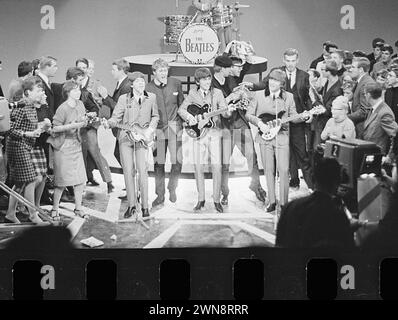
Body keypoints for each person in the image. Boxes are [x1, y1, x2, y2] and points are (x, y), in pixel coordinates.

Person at [244, 48, 314, 192]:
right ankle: (284, 184)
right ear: (284, 60)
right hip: (278, 123)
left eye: (293, 61)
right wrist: (251, 86)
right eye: (288, 61)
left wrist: (309, 113)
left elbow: (308, 97)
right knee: (279, 155)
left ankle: (312, 187)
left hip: (296, 119)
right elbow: (264, 84)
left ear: (297, 60)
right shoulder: (276, 72)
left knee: (301, 154)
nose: (290, 64)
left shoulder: (304, 76)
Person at [246, 69, 309, 213]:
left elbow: (293, 116)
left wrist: (304, 116)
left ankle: (284, 204)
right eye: (271, 80)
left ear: (282, 84)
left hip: (282, 136)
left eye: (277, 81)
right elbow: (249, 114)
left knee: (284, 169)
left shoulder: (289, 97)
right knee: (268, 170)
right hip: (264, 136)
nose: (273, 83)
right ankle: (272, 201)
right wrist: (259, 123)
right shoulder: (258, 95)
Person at [179, 67, 234, 213]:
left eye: (209, 79)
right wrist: (190, 117)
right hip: (198, 135)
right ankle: (201, 199)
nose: (207, 81)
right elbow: (181, 110)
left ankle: (216, 200)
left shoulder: (217, 93)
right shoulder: (192, 93)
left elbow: (224, 111)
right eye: (204, 79)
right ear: (197, 81)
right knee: (198, 167)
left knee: (217, 166)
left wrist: (228, 111)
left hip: (214, 133)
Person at [105, 72, 159, 219]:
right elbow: (116, 117)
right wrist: (109, 123)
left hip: (142, 139)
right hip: (126, 139)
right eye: (138, 82)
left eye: (143, 81)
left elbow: (155, 116)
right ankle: (131, 205)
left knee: (143, 171)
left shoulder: (151, 97)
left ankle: (145, 207)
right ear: (132, 84)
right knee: (128, 172)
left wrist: (150, 130)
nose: (141, 84)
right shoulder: (124, 99)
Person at [275, 157, 356, 248]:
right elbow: (348, 253)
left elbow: (278, 247)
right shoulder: (337, 214)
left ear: (313, 178)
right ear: (337, 182)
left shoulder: (289, 207)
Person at [4, 76, 48, 224]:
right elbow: (8, 129)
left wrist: (40, 128)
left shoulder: (32, 106)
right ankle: (33, 214)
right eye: (38, 90)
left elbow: (30, 127)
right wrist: (27, 134)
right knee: (31, 179)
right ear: (28, 92)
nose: (41, 93)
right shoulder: (22, 105)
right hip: (17, 146)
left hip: (25, 146)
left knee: (20, 183)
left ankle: (10, 213)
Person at [66, 67, 114, 193]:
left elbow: (95, 108)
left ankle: (108, 181)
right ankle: (77, 183)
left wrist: (89, 114)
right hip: (71, 130)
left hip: (88, 127)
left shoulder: (86, 92)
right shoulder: (63, 91)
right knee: (78, 155)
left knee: (94, 150)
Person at [47, 80, 90, 220]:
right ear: (68, 93)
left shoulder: (81, 104)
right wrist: (72, 125)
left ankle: (78, 208)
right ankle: (55, 208)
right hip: (63, 146)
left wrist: (86, 120)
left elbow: (81, 121)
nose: (78, 92)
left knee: (79, 180)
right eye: (75, 90)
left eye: (79, 90)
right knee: (62, 181)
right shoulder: (63, 108)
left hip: (76, 145)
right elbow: (55, 128)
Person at [146, 58, 184, 207]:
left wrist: (182, 125)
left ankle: (172, 188)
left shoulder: (176, 83)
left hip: (175, 129)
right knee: (159, 164)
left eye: (165, 70)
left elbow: (182, 105)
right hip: (159, 131)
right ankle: (160, 195)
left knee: (178, 162)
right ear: (154, 72)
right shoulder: (148, 88)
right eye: (160, 70)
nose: (164, 73)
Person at [362, 82, 398, 159]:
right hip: (368, 153)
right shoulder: (373, 109)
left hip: (377, 156)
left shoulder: (385, 113)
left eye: (364, 94)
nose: (364, 96)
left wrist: (389, 157)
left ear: (368, 95)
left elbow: (395, 135)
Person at [313, 60, 343, 148]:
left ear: (328, 72)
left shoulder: (337, 89)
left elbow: (327, 111)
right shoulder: (328, 81)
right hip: (321, 122)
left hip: (328, 124)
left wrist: (313, 100)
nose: (320, 71)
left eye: (322, 69)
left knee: (320, 149)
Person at [348, 57, 375, 138]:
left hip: (362, 129)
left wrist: (346, 118)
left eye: (353, 67)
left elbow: (364, 111)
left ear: (361, 70)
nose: (350, 70)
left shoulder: (366, 83)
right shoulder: (361, 82)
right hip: (358, 127)